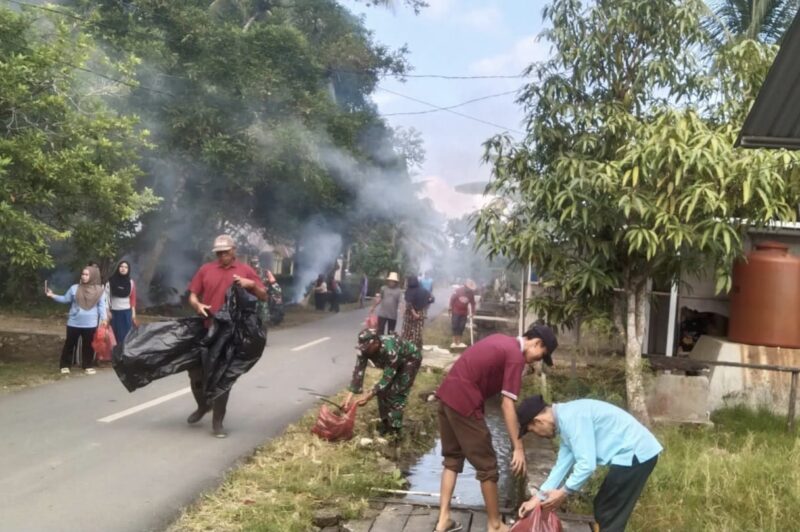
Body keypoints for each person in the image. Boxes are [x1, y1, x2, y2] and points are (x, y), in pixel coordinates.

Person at [433, 324, 558, 532]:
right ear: (536, 343)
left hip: (447, 397)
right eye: (540, 356)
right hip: (465, 402)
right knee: (488, 466)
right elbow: (507, 404)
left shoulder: (502, 341)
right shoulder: (515, 356)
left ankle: (443, 519)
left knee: (452, 459)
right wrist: (518, 447)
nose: (536, 361)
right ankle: (495, 524)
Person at [516, 396, 663, 532]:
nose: (538, 434)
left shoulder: (572, 418)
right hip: (630, 455)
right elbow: (560, 468)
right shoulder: (566, 421)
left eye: (532, 430)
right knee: (603, 505)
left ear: (538, 421)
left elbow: (587, 465)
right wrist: (537, 498)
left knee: (609, 511)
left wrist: (563, 492)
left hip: (636, 454)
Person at [187, 234, 267, 438]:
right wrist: (197, 304)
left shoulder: (245, 270)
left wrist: (250, 284)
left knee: (223, 376)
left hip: (231, 333)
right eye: (219, 253)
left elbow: (263, 295)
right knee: (196, 372)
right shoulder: (206, 270)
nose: (222, 255)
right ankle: (203, 405)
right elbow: (193, 294)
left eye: (226, 252)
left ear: (234, 251)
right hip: (207, 327)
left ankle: (218, 422)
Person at [344, 329, 422, 437]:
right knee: (382, 392)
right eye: (363, 348)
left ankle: (395, 431)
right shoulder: (364, 350)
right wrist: (349, 397)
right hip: (392, 363)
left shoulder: (390, 350)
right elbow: (358, 371)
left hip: (409, 359)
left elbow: (387, 377)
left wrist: (368, 395)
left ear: (376, 343)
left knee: (397, 393)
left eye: (367, 348)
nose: (365, 351)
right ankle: (385, 423)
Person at [46, 265, 108, 375]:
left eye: (87, 274)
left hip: (90, 323)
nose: (84, 277)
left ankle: (87, 365)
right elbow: (65, 299)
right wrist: (52, 295)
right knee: (70, 344)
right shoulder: (74, 288)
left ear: (93, 276)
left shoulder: (99, 291)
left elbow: (101, 306)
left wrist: (104, 318)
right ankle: (65, 365)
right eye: (83, 274)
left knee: (88, 345)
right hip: (74, 322)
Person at [105, 260, 136, 346]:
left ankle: (123, 355)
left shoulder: (131, 283)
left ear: (128, 269)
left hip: (126, 313)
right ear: (118, 268)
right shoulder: (110, 282)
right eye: (121, 266)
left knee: (125, 335)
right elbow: (106, 297)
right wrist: (107, 311)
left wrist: (133, 312)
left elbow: (132, 298)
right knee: (113, 335)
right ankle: (113, 355)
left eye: (126, 267)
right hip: (113, 312)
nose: (123, 269)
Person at [401, 275, 430, 351]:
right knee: (418, 332)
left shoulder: (409, 291)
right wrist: (424, 308)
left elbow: (409, 304)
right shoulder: (424, 291)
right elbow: (431, 299)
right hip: (420, 313)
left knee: (407, 332)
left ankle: (408, 350)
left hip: (410, 314)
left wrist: (414, 313)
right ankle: (417, 349)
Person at [449, 279, 477, 347]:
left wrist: (473, 312)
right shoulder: (458, 290)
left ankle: (459, 341)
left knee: (461, 327)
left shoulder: (471, 294)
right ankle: (454, 341)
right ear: (465, 286)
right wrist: (450, 307)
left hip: (464, 312)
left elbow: (472, 303)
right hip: (456, 311)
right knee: (455, 326)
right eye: (469, 288)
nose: (469, 290)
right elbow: (452, 299)